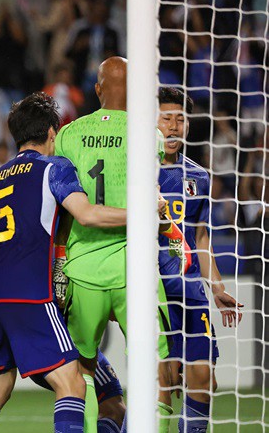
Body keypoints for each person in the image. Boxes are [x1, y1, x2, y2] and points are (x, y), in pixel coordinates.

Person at [0, 92, 128, 432]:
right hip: (29, 293)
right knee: (73, 384)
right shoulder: (55, 167)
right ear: (53, 132)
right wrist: (141, 213)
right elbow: (87, 214)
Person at [53, 56, 171, 431]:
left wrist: (57, 262)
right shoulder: (148, 134)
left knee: (80, 372)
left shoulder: (68, 134)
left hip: (83, 265)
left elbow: (64, 210)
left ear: (98, 89)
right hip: (134, 267)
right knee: (156, 370)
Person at [156, 87, 242, 433]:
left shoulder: (199, 176)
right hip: (154, 293)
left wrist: (217, 287)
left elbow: (201, 239)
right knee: (162, 383)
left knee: (204, 382)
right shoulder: (130, 173)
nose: (174, 127)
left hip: (191, 292)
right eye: (166, 119)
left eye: (181, 119)